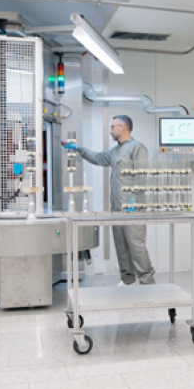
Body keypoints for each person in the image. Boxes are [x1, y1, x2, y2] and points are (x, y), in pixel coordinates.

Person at [63, 115, 155, 286]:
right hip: (117, 207)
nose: (111, 131)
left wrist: (134, 200)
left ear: (122, 128)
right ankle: (127, 280)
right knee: (121, 245)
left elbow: (141, 176)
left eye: (113, 127)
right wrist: (79, 149)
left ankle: (147, 281)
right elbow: (98, 157)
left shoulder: (137, 148)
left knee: (136, 245)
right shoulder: (115, 151)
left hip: (132, 208)